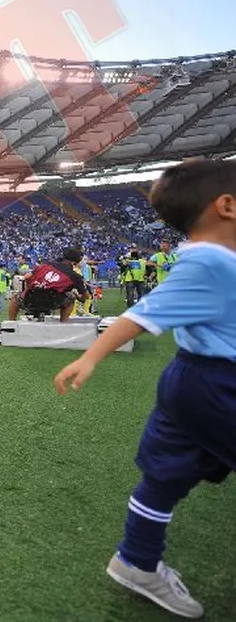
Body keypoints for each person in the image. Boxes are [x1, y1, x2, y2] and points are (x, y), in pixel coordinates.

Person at [53, 160, 236, 619]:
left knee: (165, 474)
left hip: (193, 378)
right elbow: (143, 314)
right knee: (166, 473)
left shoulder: (209, 258)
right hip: (218, 384)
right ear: (226, 206)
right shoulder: (212, 261)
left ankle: (137, 560)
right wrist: (91, 356)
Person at [8, 249, 90, 322]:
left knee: (15, 298)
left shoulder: (46, 264)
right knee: (71, 297)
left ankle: (11, 323)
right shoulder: (75, 276)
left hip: (30, 299)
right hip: (52, 302)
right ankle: (64, 323)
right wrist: (78, 295)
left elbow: (27, 276)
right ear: (75, 261)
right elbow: (86, 296)